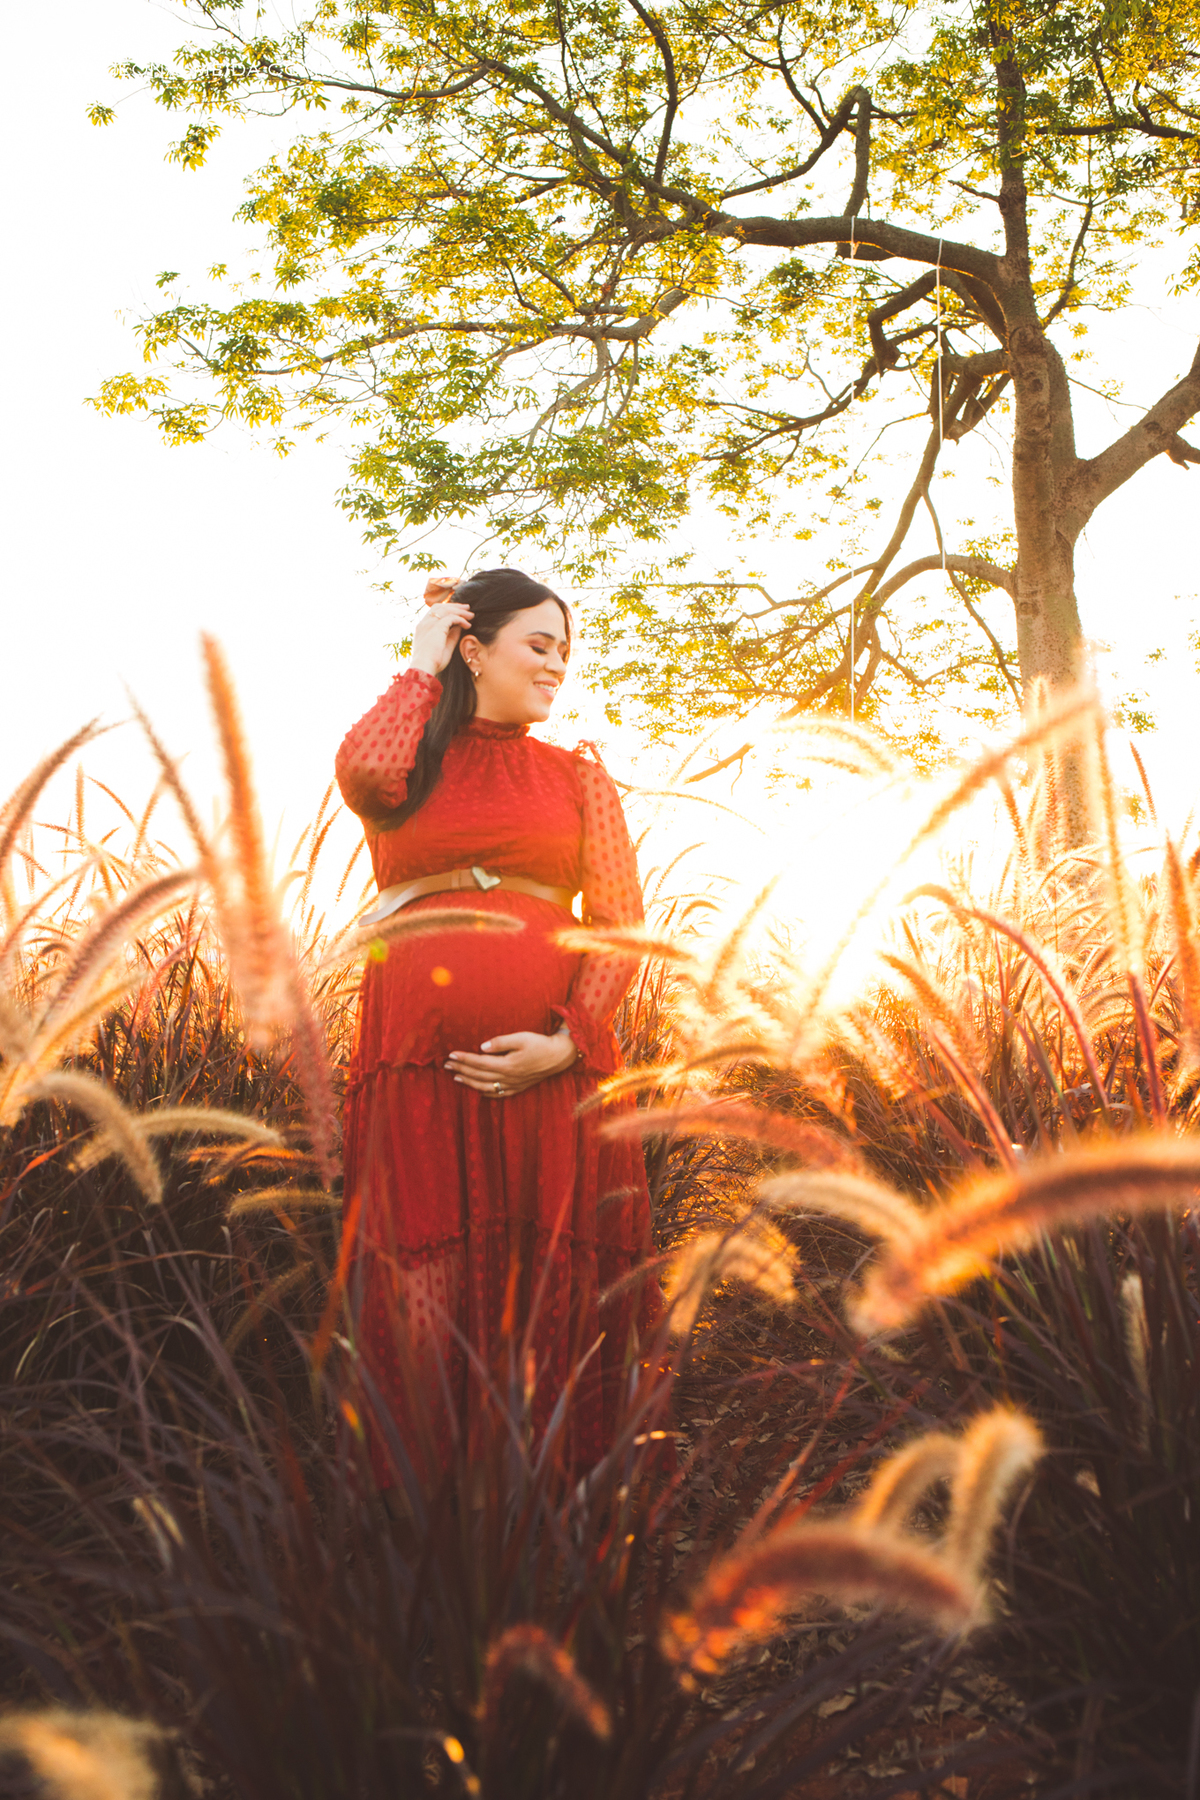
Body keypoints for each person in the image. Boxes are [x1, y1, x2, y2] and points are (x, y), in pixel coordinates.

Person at [335, 567, 660, 1492]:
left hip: (551, 1069)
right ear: (474, 648)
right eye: (538, 645)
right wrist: (420, 665)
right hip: (417, 1069)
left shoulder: (577, 777)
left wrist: (569, 1040)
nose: (558, 666)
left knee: (545, 1267)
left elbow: (621, 922)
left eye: (567, 650)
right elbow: (362, 769)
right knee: (426, 1277)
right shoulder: (411, 765)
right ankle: (434, 1502)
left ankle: (553, 1491)